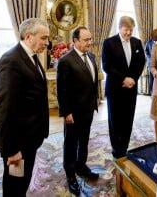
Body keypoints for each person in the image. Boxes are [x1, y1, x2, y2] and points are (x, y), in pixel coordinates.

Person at [0, 18, 50, 197]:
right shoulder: (11, 60)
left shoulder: (31, 57)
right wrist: (12, 149)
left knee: (22, 181)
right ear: (29, 36)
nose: (47, 43)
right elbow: (5, 110)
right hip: (17, 141)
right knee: (14, 186)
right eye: (44, 38)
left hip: (30, 137)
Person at [56, 26, 99, 196]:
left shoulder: (91, 56)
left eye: (90, 39)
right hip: (73, 113)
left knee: (84, 141)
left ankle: (81, 166)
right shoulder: (66, 61)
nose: (90, 42)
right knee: (71, 144)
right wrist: (66, 113)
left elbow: (92, 82)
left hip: (88, 109)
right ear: (75, 41)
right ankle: (70, 174)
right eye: (86, 40)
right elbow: (62, 90)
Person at [102, 16, 145, 159]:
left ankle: (124, 149)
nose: (128, 33)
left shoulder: (137, 43)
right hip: (115, 89)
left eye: (131, 30)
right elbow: (107, 66)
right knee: (115, 122)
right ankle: (116, 151)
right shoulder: (108, 43)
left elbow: (141, 63)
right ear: (120, 28)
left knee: (128, 120)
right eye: (126, 30)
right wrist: (123, 79)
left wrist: (133, 78)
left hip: (131, 89)